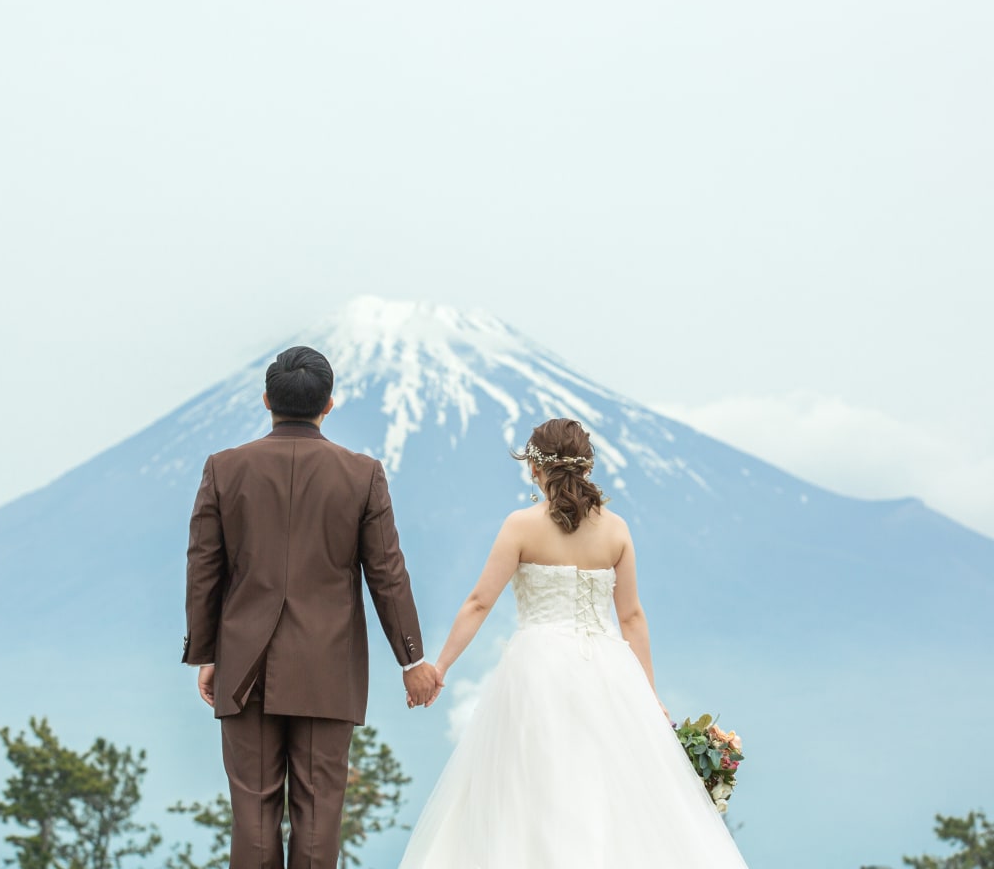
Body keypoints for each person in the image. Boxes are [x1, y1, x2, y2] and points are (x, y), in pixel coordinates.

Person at [399, 417, 750, 868]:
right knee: (609, 790)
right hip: (609, 669)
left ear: (534, 469)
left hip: (537, 669)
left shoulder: (520, 526)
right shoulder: (617, 530)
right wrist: (649, 695)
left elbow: (478, 603)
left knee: (532, 789)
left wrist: (440, 667)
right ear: (588, 468)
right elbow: (631, 616)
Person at [182, 345, 437, 869]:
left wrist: (206, 653)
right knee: (319, 816)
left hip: (243, 667)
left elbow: (203, 567)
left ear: (265, 400)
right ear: (329, 405)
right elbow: (387, 573)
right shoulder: (363, 474)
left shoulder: (224, 468)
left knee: (252, 817)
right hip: (328, 667)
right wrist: (411, 662)